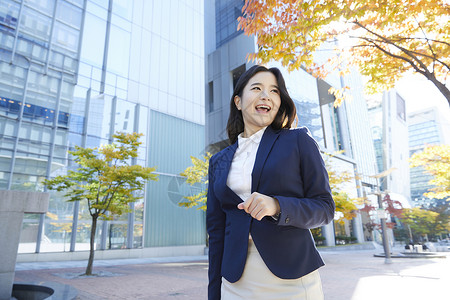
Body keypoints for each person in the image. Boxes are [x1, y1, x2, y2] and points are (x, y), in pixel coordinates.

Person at [206, 65, 335, 300]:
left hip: (291, 278)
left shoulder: (298, 141)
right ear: (238, 101)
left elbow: (325, 209)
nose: (266, 95)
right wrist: (214, 292)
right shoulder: (218, 161)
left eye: (274, 91)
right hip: (234, 280)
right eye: (257, 88)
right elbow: (216, 232)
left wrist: (277, 206)